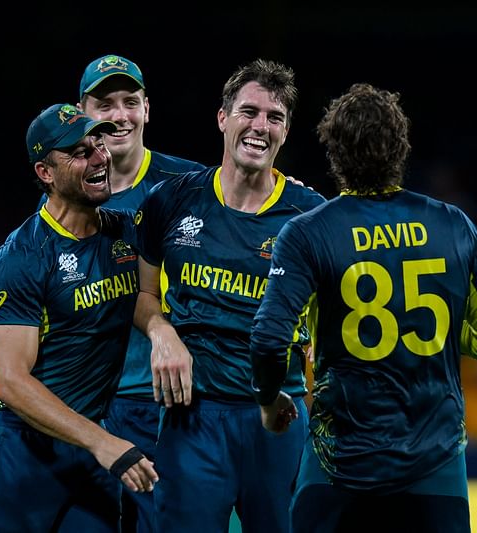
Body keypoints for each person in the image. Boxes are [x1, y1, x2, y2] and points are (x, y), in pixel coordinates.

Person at [249, 82, 477, 533]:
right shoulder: (453, 225)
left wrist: (267, 400)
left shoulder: (308, 233)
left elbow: (268, 340)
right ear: (401, 148)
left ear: (333, 153)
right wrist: (439, 337)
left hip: (341, 467)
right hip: (435, 469)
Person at [0, 103, 158, 533]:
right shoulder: (21, 258)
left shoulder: (127, 232)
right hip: (17, 444)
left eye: (98, 143)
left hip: (85, 446)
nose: (99, 157)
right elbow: (12, 382)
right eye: (78, 151)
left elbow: (199, 210)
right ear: (46, 173)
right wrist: (103, 442)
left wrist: (275, 183)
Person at [132, 58, 325, 533]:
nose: (260, 126)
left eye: (274, 118)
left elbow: (331, 324)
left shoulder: (311, 215)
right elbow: (141, 292)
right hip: (191, 418)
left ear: (286, 131)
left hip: (279, 416)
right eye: (249, 112)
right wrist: (161, 332)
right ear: (223, 118)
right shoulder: (172, 200)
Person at [35, 53, 205, 533]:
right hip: (88, 411)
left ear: (147, 109)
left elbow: (258, 212)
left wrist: (289, 186)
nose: (118, 115)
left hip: (168, 405)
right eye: (103, 104)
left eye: (130, 102)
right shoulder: (64, 196)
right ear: (81, 112)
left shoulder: (192, 186)